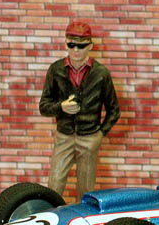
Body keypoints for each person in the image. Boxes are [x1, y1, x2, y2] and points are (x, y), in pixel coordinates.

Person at [39, 20, 120, 201]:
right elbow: (43, 106)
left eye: (81, 46)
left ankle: (82, 219)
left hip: (89, 138)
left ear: (90, 46)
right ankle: (52, 216)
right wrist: (61, 107)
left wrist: (100, 134)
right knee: (54, 186)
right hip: (64, 137)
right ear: (65, 44)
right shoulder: (56, 70)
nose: (76, 50)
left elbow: (114, 110)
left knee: (86, 190)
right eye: (71, 45)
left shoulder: (101, 73)